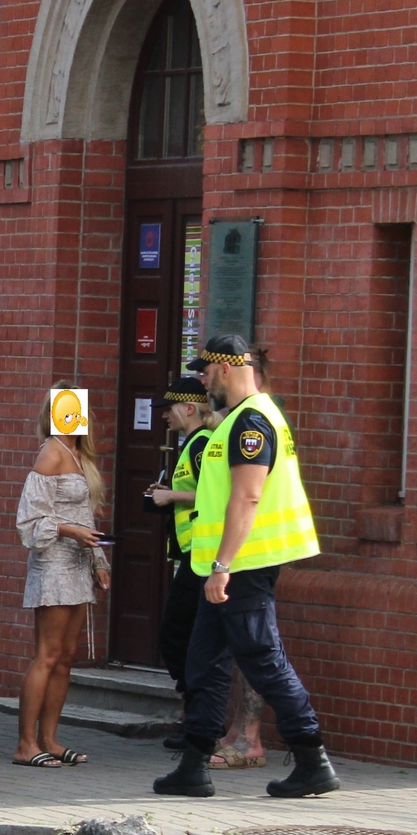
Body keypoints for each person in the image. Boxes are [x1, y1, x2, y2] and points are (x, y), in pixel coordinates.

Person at [154, 334, 339, 798]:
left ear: (228, 369)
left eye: (206, 372)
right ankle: (194, 766)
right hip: (229, 564)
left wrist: (222, 565)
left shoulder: (252, 422)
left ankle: (313, 759)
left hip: (244, 564)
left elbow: (248, 496)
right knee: (204, 665)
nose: (202, 380)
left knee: (263, 659)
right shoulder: (235, 420)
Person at [13, 386, 112, 768]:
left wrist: (99, 560)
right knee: (48, 653)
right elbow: (30, 519)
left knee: (67, 657)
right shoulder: (51, 451)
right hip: (53, 561)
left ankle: (50, 738)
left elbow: (87, 518)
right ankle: (26, 743)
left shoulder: (80, 454)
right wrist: (70, 532)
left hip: (78, 563)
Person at [147, 369, 214, 749]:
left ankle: (198, 718)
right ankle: (194, 718)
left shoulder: (204, 443)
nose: (164, 415)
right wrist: (168, 493)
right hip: (192, 553)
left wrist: (171, 497)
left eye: (169, 408)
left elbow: (215, 495)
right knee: (182, 636)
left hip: (202, 555)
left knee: (176, 635)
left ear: (189, 407)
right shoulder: (193, 442)